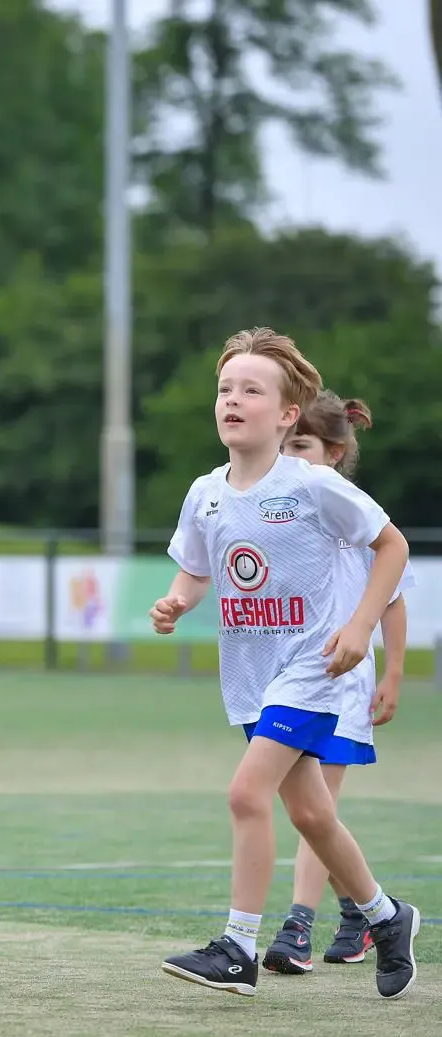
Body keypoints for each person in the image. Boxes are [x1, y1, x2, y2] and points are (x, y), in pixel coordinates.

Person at [151, 327, 418, 1000]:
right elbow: (196, 571)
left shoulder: (313, 485)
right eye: (224, 389)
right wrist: (177, 601)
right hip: (254, 676)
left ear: (288, 414)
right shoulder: (206, 492)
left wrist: (362, 627)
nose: (232, 400)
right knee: (311, 816)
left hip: (314, 668)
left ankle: (238, 946)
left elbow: (392, 547)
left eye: (251, 390)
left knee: (247, 793)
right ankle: (388, 920)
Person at [260, 391, 412, 975]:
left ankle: (299, 926)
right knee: (310, 809)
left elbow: (392, 597)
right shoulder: (284, 510)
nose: (289, 457)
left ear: (335, 451)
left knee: (314, 806)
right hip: (296, 673)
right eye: (286, 446)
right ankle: (363, 910)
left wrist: (393, 673)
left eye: (300, 446)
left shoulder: (353, 512)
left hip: (342, 678)